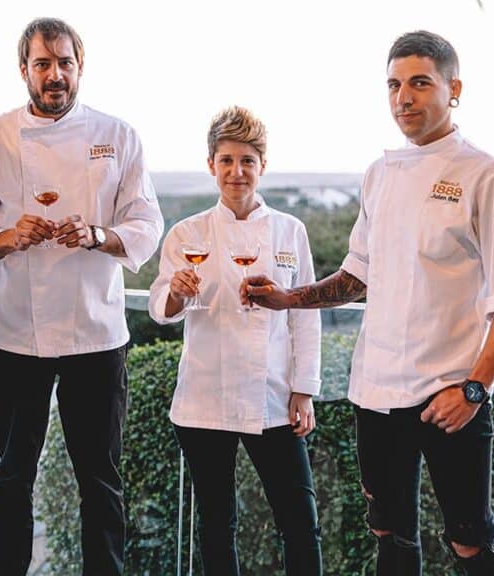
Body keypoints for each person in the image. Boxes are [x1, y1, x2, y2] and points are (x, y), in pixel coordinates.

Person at [243, 31, 494, 575]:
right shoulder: (379, 174)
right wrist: (288, 298)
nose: (403, 97)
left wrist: (476, 388)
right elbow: (358, 274)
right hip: (376, 389)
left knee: (469, 539)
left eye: (419, 83)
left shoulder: (486, 173)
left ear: (454, 89)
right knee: (390, 534)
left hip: (449, 391)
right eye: (394, 85)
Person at [0, 17, 164, 576]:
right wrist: (6, 238)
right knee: (13, 472)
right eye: (42, 64)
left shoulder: (119, 136)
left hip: (95, 333)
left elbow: (145, 222)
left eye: (64, 63)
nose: (54, 75)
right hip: (15, 331)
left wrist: (97, 235)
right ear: (23, 69)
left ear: (79, 67)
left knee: (99, 475)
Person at [149, 106, 322, 575]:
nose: (236, 171)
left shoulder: (291, 231)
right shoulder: (188, 233)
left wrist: (303, 389)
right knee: (216, 524)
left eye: (247, 160)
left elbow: (305, 316)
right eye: (226, 160)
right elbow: (161, 309)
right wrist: (178, 296)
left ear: (262, 165)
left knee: (300, 522)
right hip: (207, 395)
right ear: (211, 165)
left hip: (274, 397)